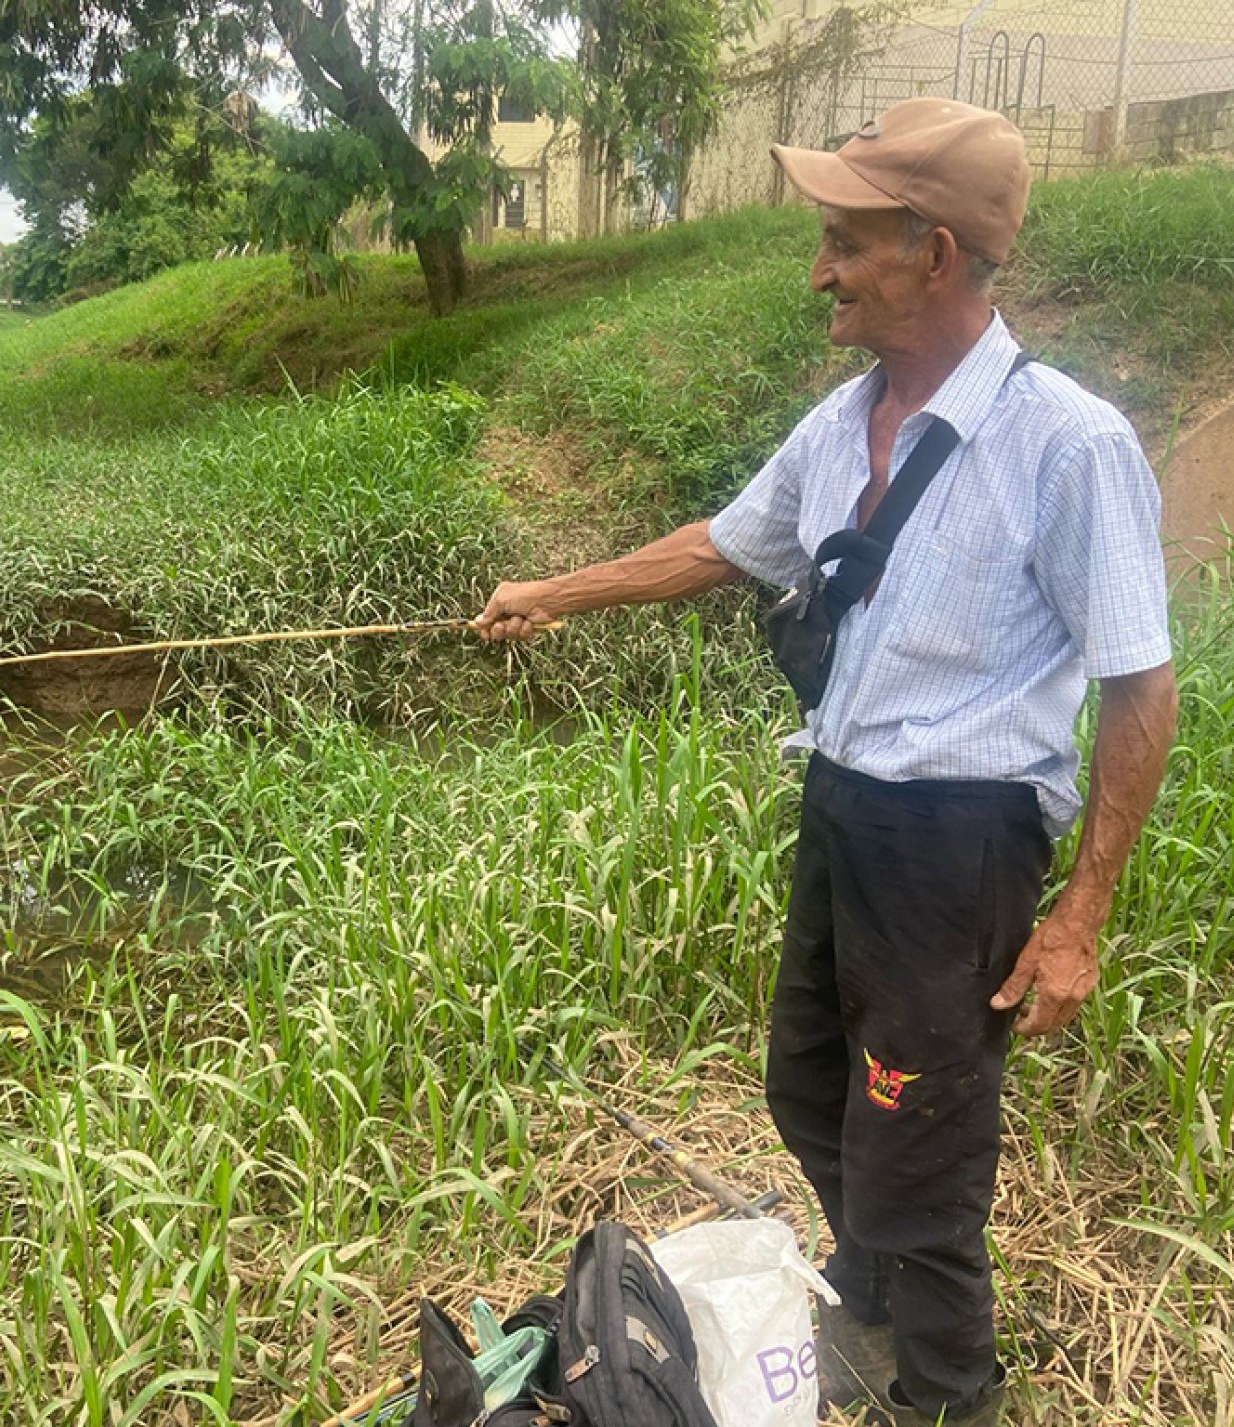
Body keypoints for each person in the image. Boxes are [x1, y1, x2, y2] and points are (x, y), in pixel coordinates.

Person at [474, 98, 1178, 1426]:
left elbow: (1141, 685)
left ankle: (951, 1391)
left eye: (847, 241)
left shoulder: (1067, 443)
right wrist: (556, 593)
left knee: (921, 1130)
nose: (820, 270)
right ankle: (877, 1287)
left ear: (939, 250)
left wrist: (1080, 917)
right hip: (844, 808)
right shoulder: (844, 420)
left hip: (961, 843)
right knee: (806, 1078)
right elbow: (725, 544)